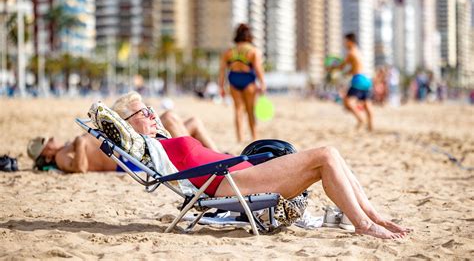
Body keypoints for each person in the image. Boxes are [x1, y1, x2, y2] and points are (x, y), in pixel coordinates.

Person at [97, 93, 410, 239]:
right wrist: (118, 126)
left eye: (150, 109)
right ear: (128, 124)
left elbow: (137, 127)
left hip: (236, 173)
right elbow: (115, 127)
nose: (152, 114)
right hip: (229, 182)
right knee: (325, 154)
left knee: (330, 157)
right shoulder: (149, 145)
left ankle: (372, 216)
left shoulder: (161, 140)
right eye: (143, 112)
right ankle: (364, 225)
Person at [26, 95, 220, 173]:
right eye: (47, 142)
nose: (51, 138)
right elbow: (80, 169)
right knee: (169, 118)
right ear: (47, 154)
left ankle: (215, 158)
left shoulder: (64, 148)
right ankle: (204, 163)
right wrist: (79, 143)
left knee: (190, 121)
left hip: (131, 146)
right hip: (126, 159)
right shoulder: (61, 157)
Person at [219, 24, 266, 142]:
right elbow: (258, 68)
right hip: (248, 79)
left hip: (234, 79)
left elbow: (222, 70)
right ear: (250, 35)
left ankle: (240, 138)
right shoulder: (253, 51)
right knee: (251, 110)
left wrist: (221, 87)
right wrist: (262, 83)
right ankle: (254, 137)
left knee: (238, 110)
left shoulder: (229, 51)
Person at [330, 33, 374, 131]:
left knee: (347, 102)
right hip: (366, 79)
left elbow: (341, 66)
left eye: (345, 41)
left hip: (358, 79)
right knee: (367, 103)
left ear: (350, 41)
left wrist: (331, 67)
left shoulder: (350, 53)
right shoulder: (358, 52)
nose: (344, 44)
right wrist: (348, 72)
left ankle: (360, 119)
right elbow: (356, 68)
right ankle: (371, 126)